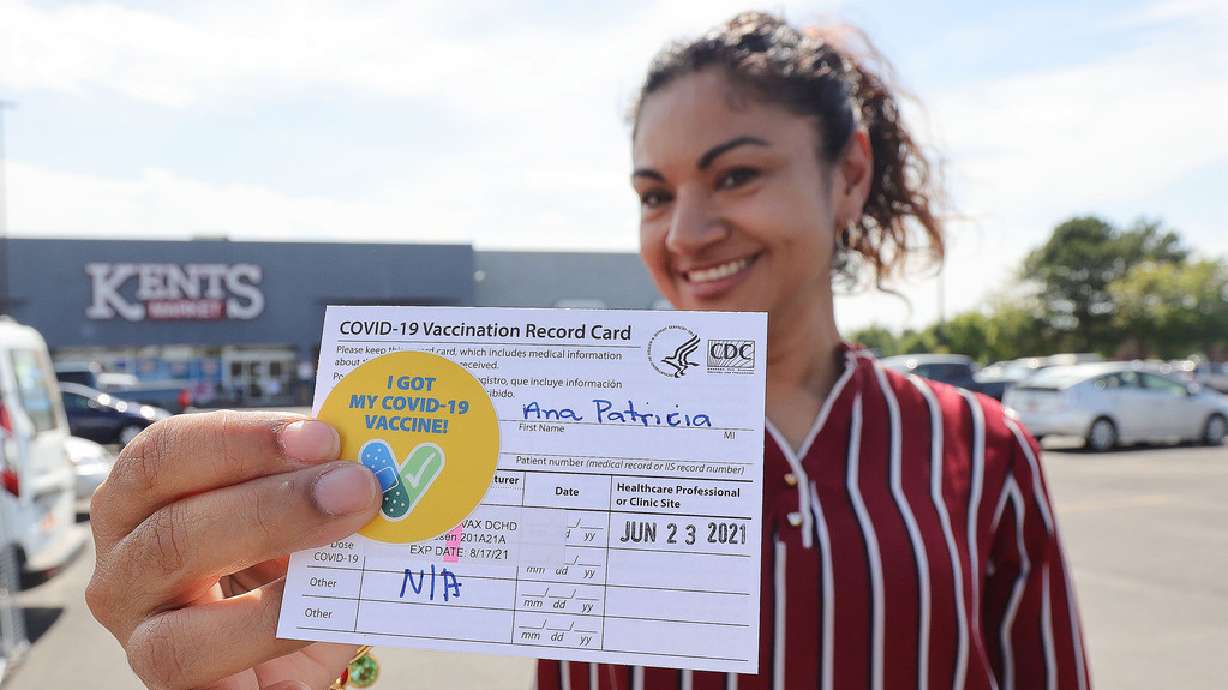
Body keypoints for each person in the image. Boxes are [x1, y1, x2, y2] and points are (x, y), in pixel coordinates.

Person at [85, 11, 1089, 690]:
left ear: (846, 175)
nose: (685, 232)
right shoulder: (554, 434)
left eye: (734, 176)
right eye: (654, 195)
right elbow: (360, 632)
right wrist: (313, 663)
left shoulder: (978, 451)